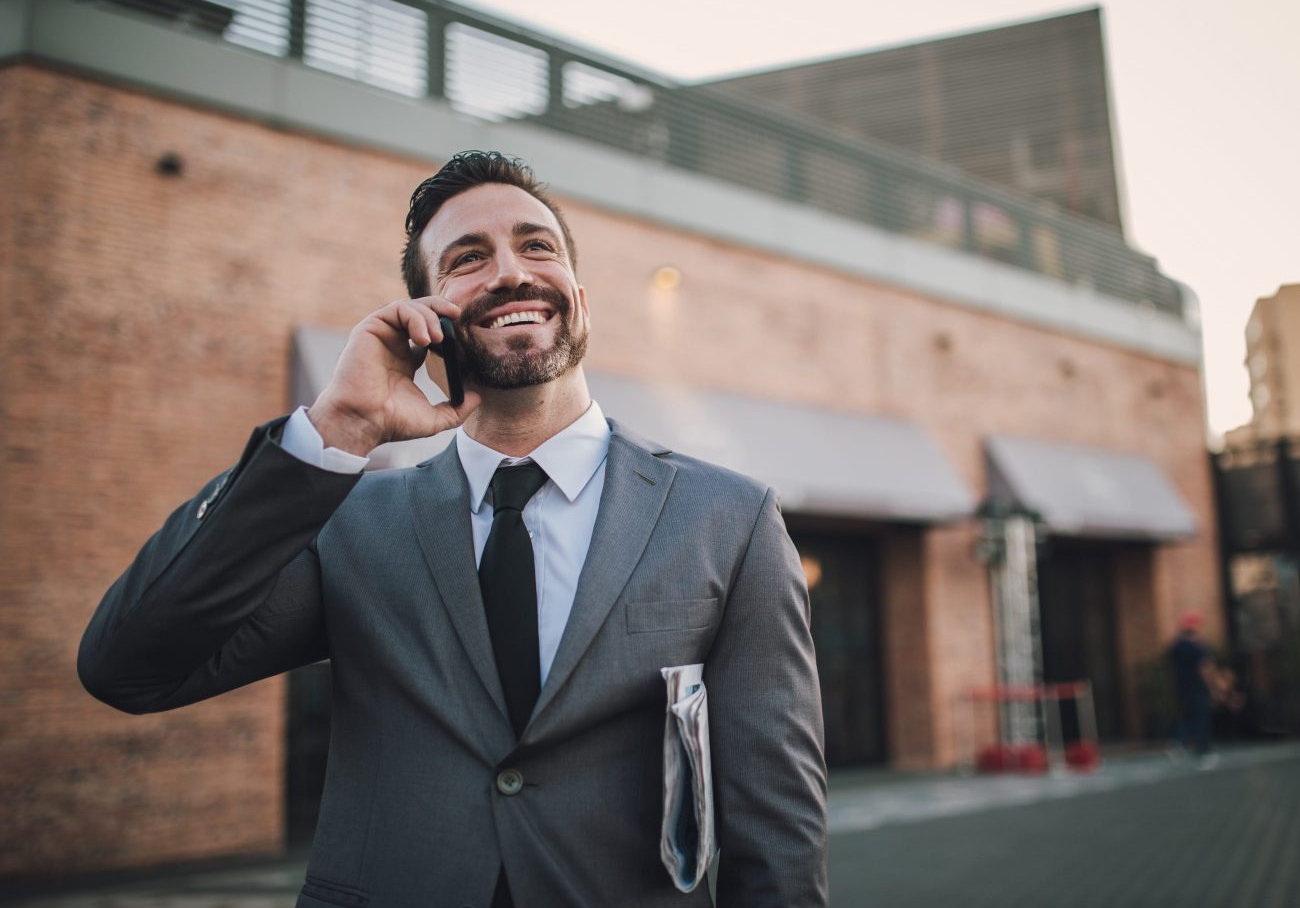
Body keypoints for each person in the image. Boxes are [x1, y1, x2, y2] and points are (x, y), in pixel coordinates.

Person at [78, 151, 828, 907]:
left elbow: (778, 829)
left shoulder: (729, 520)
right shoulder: (349, 523)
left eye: (537, 246)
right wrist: (337, 425)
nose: (510, 272)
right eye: (468, 259)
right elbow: (130, 669)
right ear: (427, 323)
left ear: (581, 301)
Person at [1168, 611, 1219, 769]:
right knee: (1201, 717)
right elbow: (1204, 669)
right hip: (1197, 687)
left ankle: (1179, 744)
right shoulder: (1197, 647)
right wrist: (1213, 687)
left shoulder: (1176, 646)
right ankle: (1202, 749)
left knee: (1186, 717)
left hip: (1181, 687)